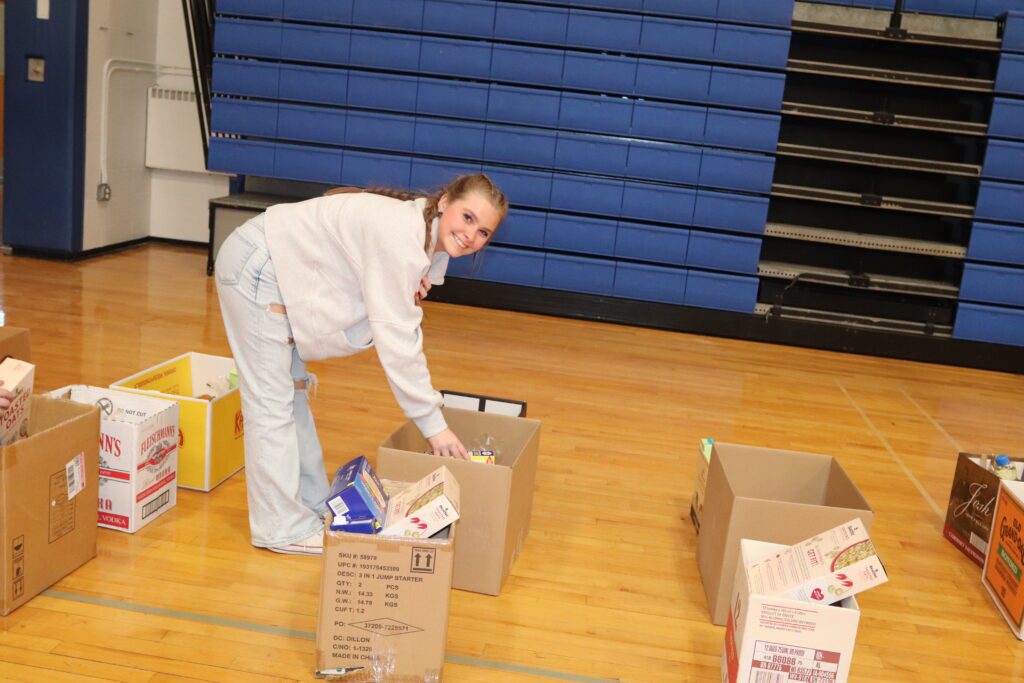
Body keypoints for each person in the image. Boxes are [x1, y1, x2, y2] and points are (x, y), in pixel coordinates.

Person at [214, 173, 508, 555]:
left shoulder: (426, 242)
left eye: (484, 231)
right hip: (260, 268)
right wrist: (434, 426)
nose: (472, 235)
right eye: (468, 218)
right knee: (271, 406)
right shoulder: (402, 237)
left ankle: (312, 506)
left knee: (292, 397)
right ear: (446, 201)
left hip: (278, 270)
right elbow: (398, 341)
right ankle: (279, 527)